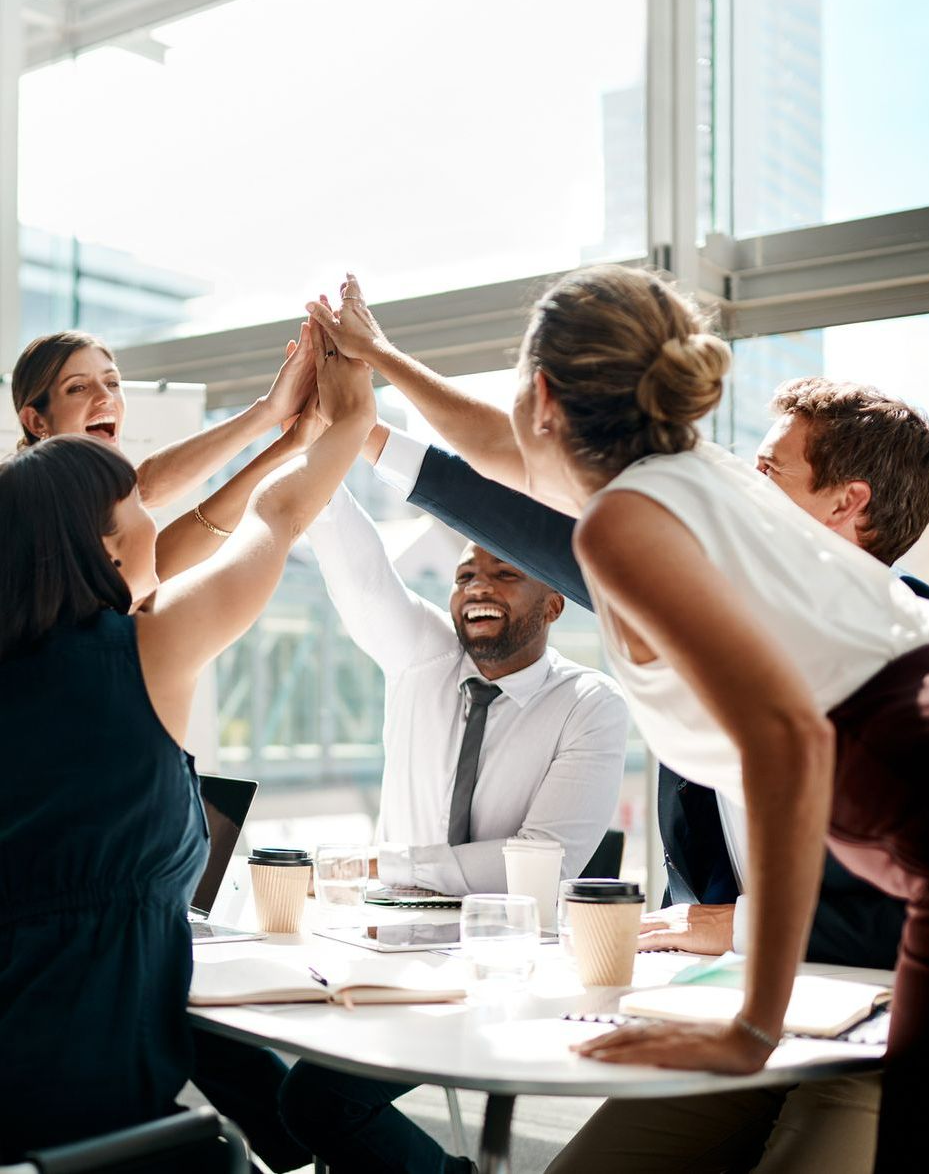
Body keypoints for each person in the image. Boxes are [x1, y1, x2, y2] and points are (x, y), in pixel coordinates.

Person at [312, 270, 929, 1174]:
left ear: (542, 395)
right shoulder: (695, 483)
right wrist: (376, 369)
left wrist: (750, 1029)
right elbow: (498, 455)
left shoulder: (632, 524)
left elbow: (790, 745)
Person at [0, 318, 374, 1160]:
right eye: (135, 505)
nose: (150, 516)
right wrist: (346, 411)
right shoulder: (148, 647)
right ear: (100, 538)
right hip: (88, 1101)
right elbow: (274, 520)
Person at [278, 480, 628, 1172]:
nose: (478, 586)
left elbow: (542, 865)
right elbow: (360, 570)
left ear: (555, 600)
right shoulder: (423, 661)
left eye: (504, 571)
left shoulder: (591, 702)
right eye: (467, 571)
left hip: (501, 969)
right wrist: (318, 454)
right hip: (378, 947)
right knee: (238, 1044)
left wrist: (393, 865)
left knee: (317, 1101)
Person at [10, 325, 319, 580]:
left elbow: (159, 562)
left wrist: (287, 439)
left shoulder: (111, 550)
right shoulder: (19, 504)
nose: (106, 397)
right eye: (78, 387)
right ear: (36, 421)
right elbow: (142, 487)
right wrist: (269, 413)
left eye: (112, 382)